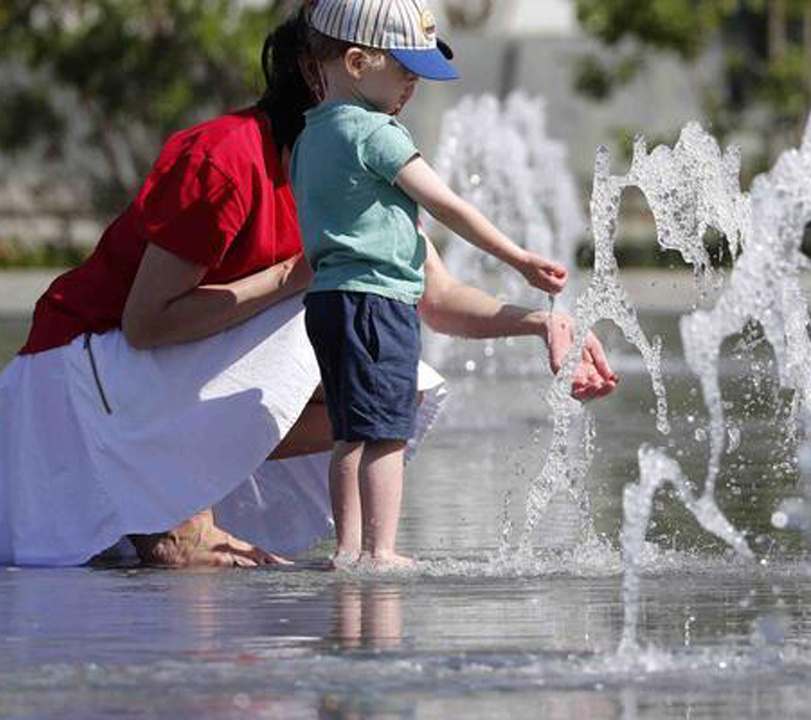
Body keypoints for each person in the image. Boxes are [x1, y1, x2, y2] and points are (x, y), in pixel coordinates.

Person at [0, 6, 617, 568]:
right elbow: (146, 322)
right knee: (326, 314)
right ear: (327, 69)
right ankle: (174, 514)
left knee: (394, 387)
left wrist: (540, 321)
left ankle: (192, 507)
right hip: (72, 385)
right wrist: (289, 279)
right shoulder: (227, 158)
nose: (410, 91)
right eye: (402, 69)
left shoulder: (365, 166)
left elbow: (438, 299)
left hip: (149, 384)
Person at [292, 0, 569, 570]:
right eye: (405, 71)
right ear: (357, 62)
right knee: (388, 433)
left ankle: (347, 547)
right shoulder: (375, 132)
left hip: (328, 300)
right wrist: (518, 258)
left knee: (349, 432)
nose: (411, 87)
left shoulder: (310, 137)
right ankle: (380, 548)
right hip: (378, 300)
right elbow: (446, 204)